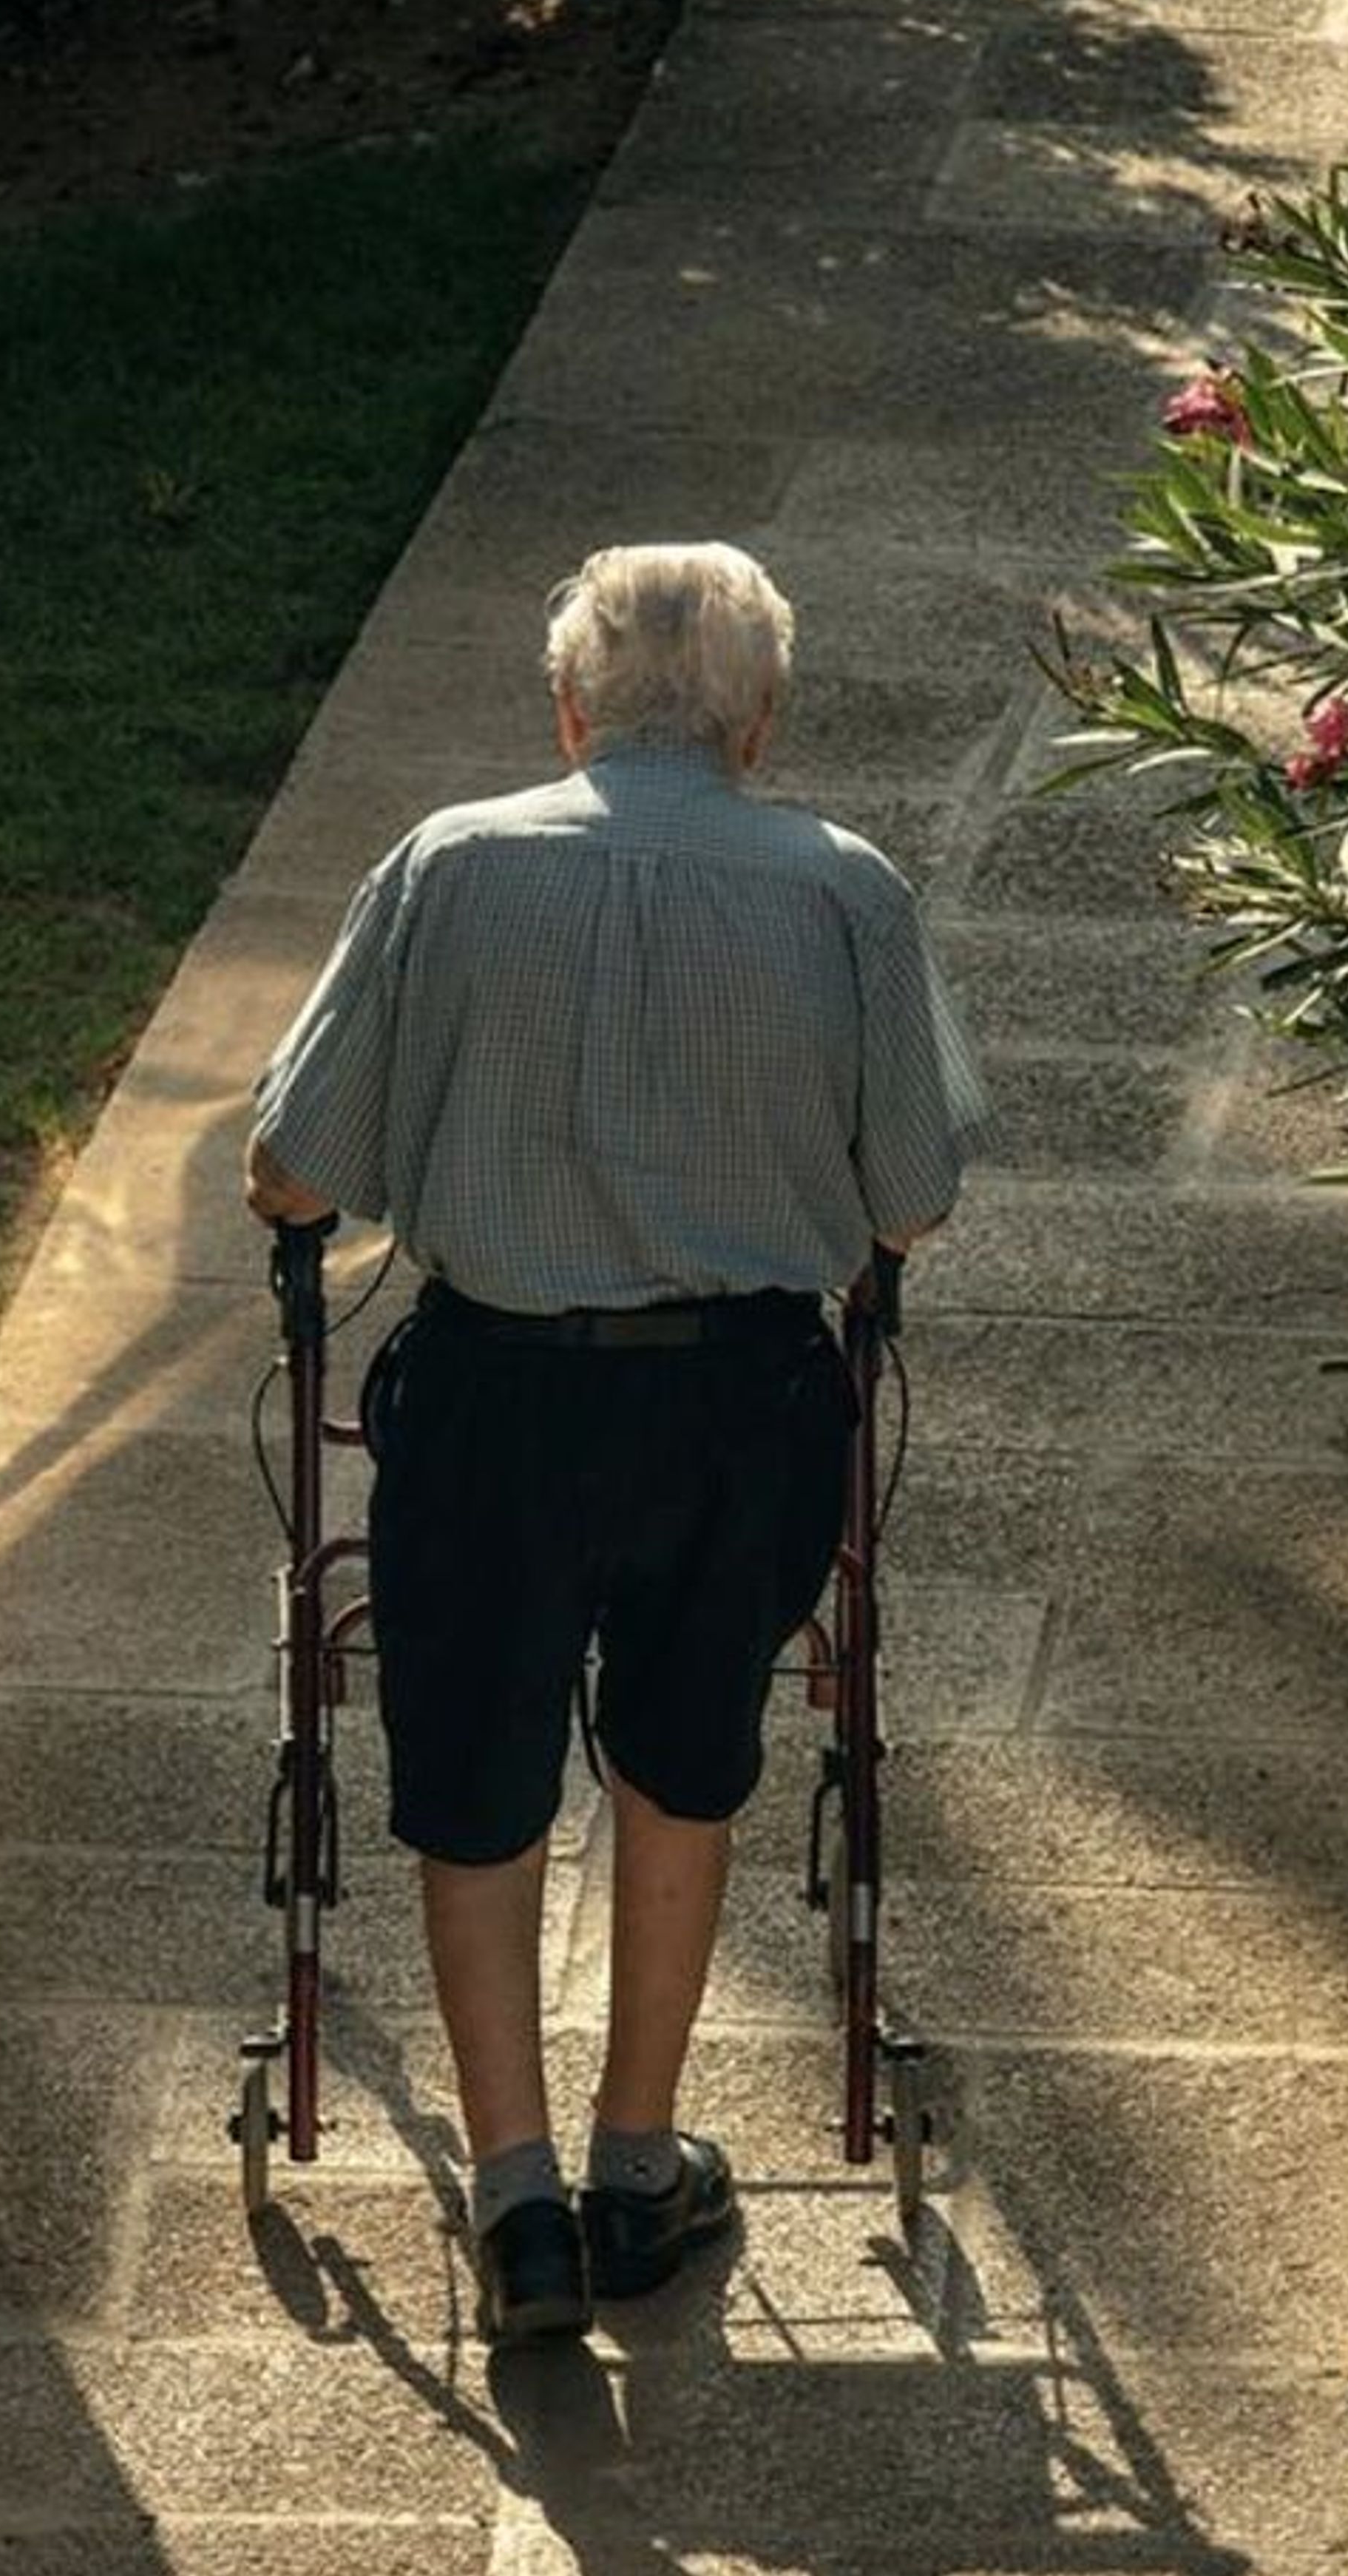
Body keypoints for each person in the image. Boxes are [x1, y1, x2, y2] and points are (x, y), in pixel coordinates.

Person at [243, 541, 992, 2346]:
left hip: (500, 1397)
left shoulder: (449, 864)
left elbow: (293, 1164)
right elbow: (915, 1193)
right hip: (740, 1409)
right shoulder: (847, 893)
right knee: (686, 1755)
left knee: (479, 1775)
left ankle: (515, 2210)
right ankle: (637, 2160)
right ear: (761, 723)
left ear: (570, 708)